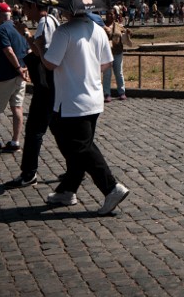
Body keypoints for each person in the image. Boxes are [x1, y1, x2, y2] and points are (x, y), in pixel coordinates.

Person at [42, 11, 130, 215]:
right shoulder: (98, 30)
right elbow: (107, 63)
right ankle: (67, 190)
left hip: (71, 101)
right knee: (77, 147)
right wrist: (87, 69)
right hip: (94, 98)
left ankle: (111, 188)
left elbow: (50, 63)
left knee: (81, 147)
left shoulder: (64, 32)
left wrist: (37, 46)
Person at [4, 0, 58, 188]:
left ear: (35, 7)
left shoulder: (44, 22)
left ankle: (29, 173)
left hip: (46, 86)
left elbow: (42, 53)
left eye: (26, 7)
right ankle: (78, 168)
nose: (25, 11)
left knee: (34, 130)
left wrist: (26, 34)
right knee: (60, 130)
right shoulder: (51, 20)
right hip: (53, 84)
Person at [0, 3, 29, 153]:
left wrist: (17, 67)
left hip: (4, 75)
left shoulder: (2, 29)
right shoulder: (18, 26)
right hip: (20, 76)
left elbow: (8, 50)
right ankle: (15, 142)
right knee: (17, 107)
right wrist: (24, 68)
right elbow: (27, 49)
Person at [102, 8, 130, 102]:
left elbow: (124, 36)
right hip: (106, 53)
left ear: (115, 15)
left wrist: (128, 33)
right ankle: (106, 94)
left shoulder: (119, 26)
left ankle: (122, 92)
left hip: (117, 52)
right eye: (108, 14)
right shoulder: (101, 26)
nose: (109, 15)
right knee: (107, 74)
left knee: (119, 73)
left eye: (111, 14)